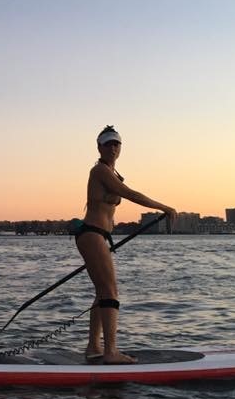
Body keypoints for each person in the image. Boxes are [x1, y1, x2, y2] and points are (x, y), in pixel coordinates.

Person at [74, 125, 176, 365]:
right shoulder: (99, 170)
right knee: (110, 293)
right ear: (99, 147)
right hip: (92, 234)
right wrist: (164, 207)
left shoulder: (111, 172)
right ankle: (110, 352)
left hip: (99, 236)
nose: (112, 147)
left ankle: (93, 347)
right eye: (108, 143)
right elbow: (131, 194)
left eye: (116, 143)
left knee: (102, 292)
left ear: (120, 148)